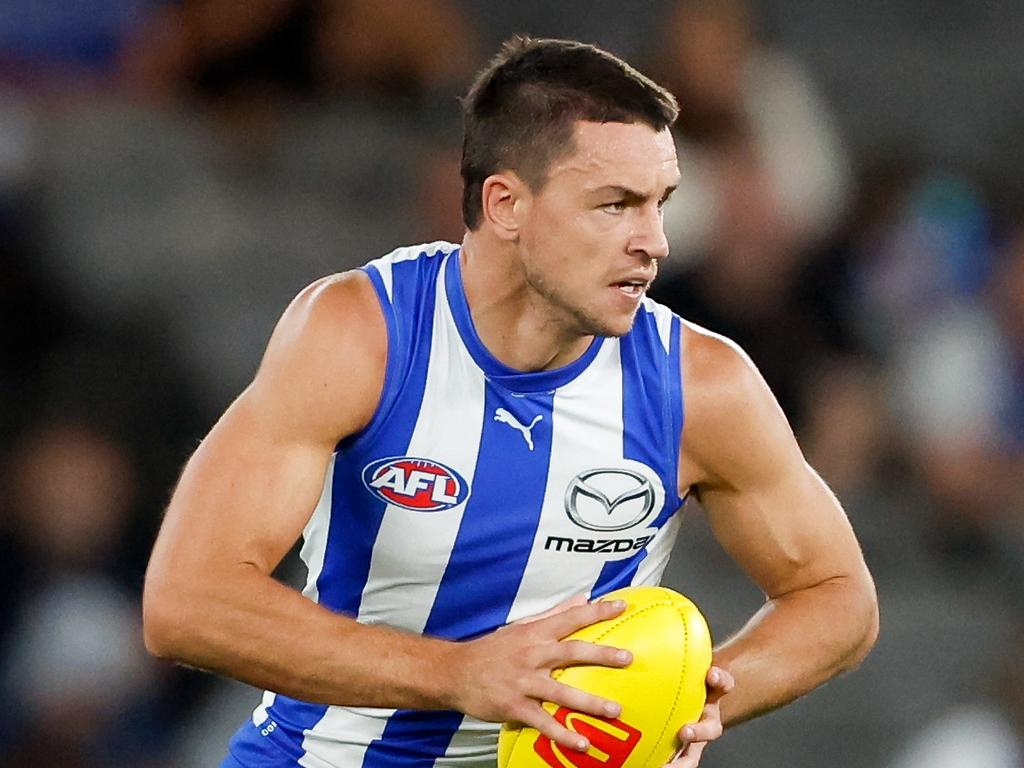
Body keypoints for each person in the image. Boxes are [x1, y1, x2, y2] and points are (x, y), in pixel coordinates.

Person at [142, 37, 878, 768]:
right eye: (615, 205)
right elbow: (189, 602)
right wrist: (457, 675)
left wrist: (692, 703)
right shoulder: (361, 336)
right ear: (506, 205)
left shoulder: (700, 383)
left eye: (662, 204)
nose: (653, 241)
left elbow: (838, 598)